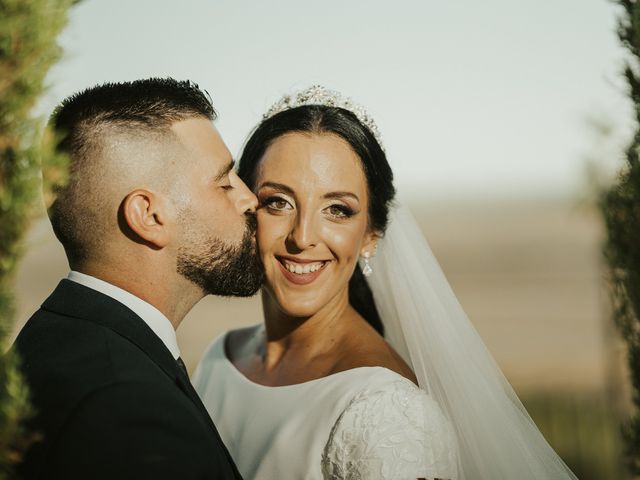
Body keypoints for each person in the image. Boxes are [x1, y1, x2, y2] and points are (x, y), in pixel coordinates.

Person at [194, 86, 580, 480]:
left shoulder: (390, 414)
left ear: (371, 235)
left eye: (337, 210)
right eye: (278, 202)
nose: (303, 236)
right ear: (246, 208)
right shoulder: (220, 359)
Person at [13, 78, 262, 479]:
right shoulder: (128, 408)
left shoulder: (55, 337)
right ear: (148, 216)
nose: (249, 198)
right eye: (224, 182)